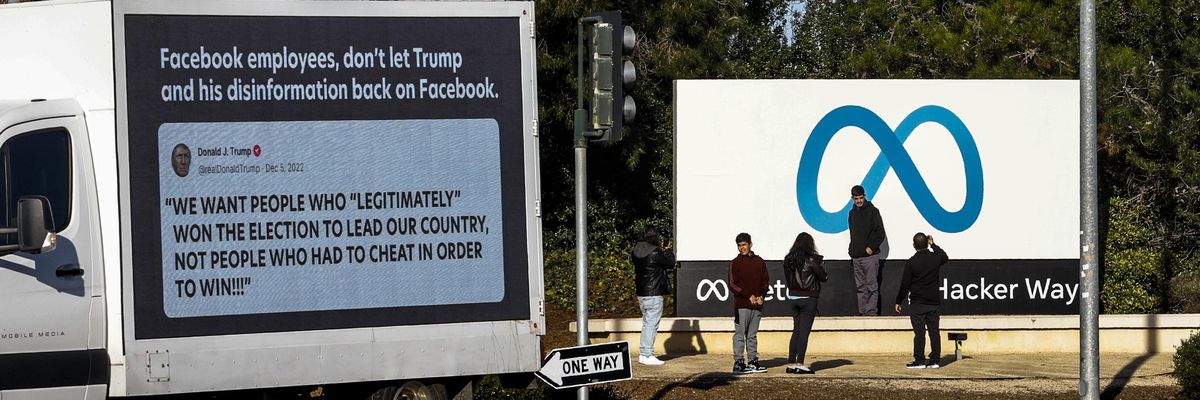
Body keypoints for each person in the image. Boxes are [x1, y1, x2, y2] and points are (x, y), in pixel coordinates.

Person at [894, 232, 948, 369]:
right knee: (934, 331)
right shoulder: (935, 258)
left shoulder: (911, 262)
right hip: (933, 302)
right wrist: (933, 244)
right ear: (926, 244)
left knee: (919, 333)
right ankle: (935, 360)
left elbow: (905, 284)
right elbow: (945, 257)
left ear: (914, 246)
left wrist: (898, 301)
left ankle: (920, 360)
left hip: (918, 303)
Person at [782, 232, 828, 374]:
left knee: (796, 330)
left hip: (793, 297)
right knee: (804, 332)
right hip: (808, 298)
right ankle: (800, 363)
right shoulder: (811, 259)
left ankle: (791, 362)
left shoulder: (788, 259)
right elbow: (823, 277)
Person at [631, 226, 676, 366]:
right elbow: (670, 263)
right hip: (654, 293)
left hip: (642, 293)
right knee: (651, 324)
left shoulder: (635, 251)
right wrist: (667, 249)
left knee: (646, 323)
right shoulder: (655, 252)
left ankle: (644, 354)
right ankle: (647, 354)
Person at [729, 232, 769, 374]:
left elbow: (765, 281)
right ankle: (738, 362)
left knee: (752, 335)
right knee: (740, 334)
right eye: (739, 246)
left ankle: (753, 361)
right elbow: (732, 284)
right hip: (741, 305)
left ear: (750, 244)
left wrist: (761, 296)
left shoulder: (760, 261)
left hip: (757, 305)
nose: (742, 248)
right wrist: (748, 296)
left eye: (744, 245)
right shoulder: (735, 262)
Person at [848, 185, 886, 315]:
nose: (858, 201)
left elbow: (880, 233)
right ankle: (862, 314)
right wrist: (852, 249)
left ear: (865, 196)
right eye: (856, 198)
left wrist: (871, 247)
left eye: (860, 198)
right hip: (856, 256)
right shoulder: (851, 213)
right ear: (852, 198)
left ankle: (870, 314)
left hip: (870, 257)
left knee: (871, 287)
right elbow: (853, 234)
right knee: (860, 287)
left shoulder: (873, 211)